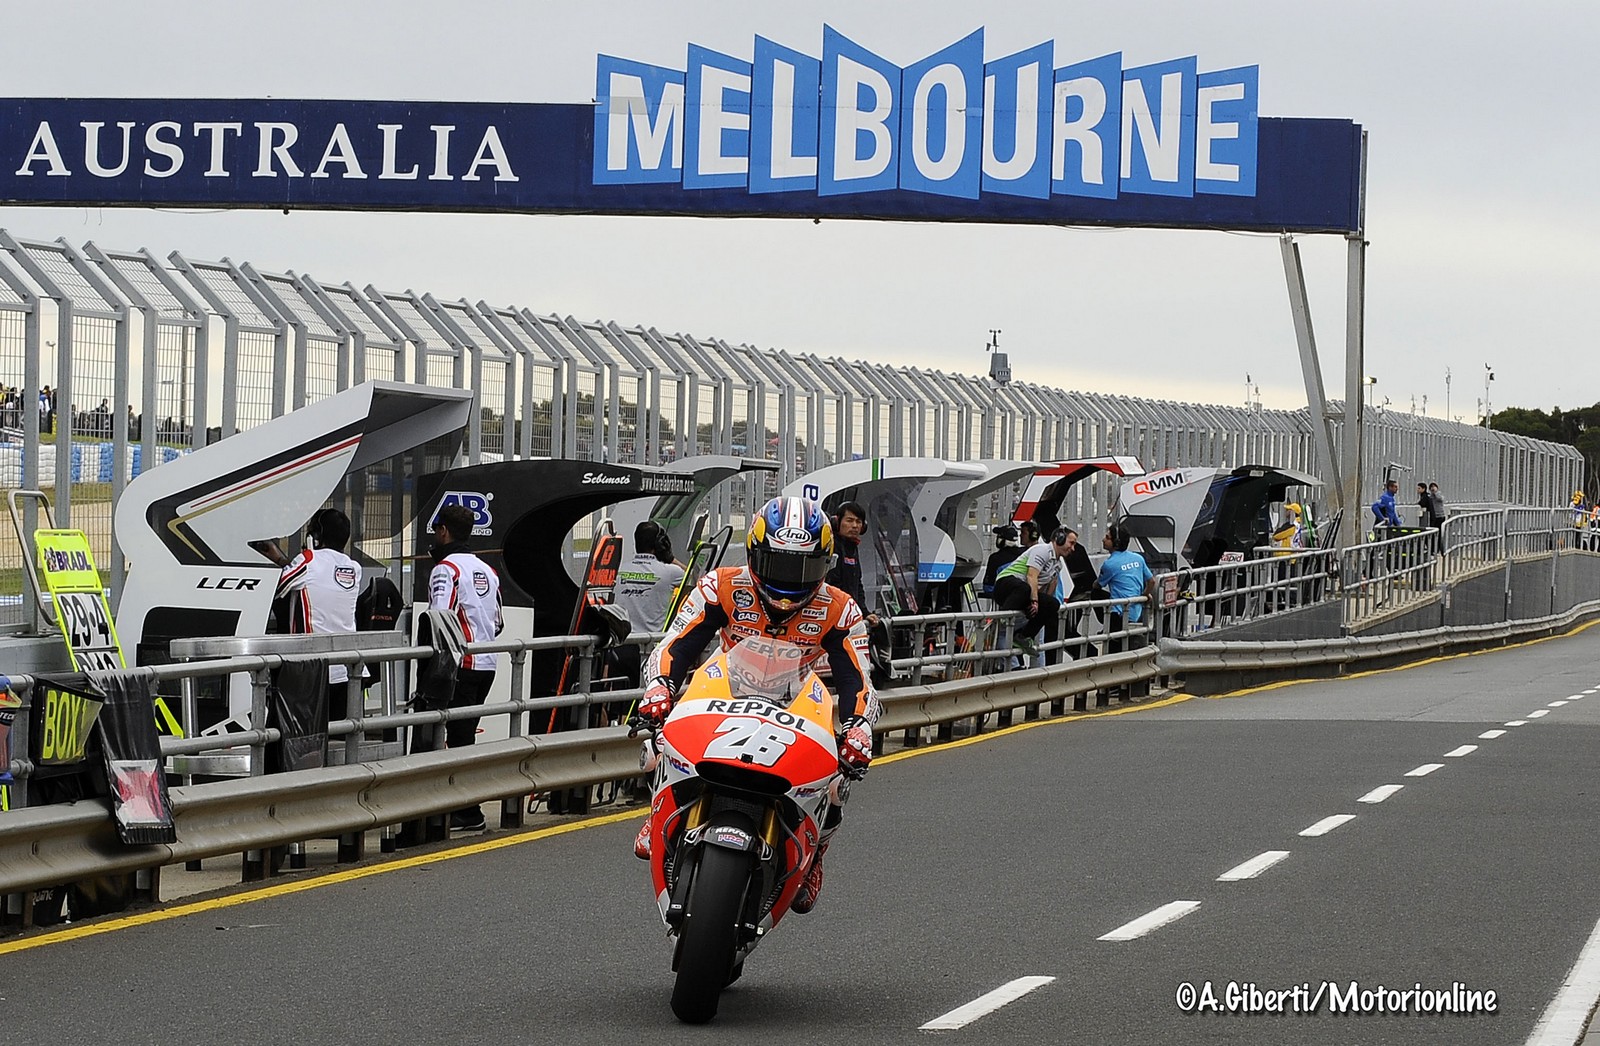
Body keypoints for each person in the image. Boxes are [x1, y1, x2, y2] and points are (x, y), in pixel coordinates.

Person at [632, 495, 878, 915]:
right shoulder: (720, 585)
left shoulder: (841, 608)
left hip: (799, 701)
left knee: (839, 781)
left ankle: (815, 854)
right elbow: (675, 643)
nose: (788, 581)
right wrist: (658, 686)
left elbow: (858, 678)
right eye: (778, 564)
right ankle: (659, 812)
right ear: (753, 554)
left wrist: (859, 725)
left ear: (824, 563)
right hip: (725, 689)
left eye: (802, 567)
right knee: (655, 740)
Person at [428, 503, 504, 833]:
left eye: (435, 531)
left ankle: (468, 812)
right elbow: (499, 623)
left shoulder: (446, 569)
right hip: (487, 663)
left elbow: (438, 617)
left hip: (460, 664)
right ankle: (464, 808)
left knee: (455, 738)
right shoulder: (487, 570)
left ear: (444, 531)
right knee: (464, 736)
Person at [270, 508, 361, 723]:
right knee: (339, 739)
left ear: (315, 536)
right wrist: (284, 561)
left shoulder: (307, 560)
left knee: (302, 739)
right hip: (345, 668)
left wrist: (282, 561)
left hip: (310, 670)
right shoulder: (354, 568)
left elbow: (277, 587)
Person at [612, 520, 686, 687]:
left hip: (621, 647)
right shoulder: (671, 572)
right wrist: (670, 558)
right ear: (660, 544)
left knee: (619, 703)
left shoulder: (620, 569)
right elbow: (695, 579)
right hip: (651, 648)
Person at [991, 526, 1072, 660]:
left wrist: (1040, 605)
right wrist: (1034, 602)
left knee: (1052, 604)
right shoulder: (1042, 550)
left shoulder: (1057, 565)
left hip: (1022, 592)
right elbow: (1031, 576)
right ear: (1060, 539)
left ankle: (1023, 636)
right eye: (1071, 543)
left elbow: (1048, 585)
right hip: (1004, 586)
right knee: (1025, 588)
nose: (1073, 548)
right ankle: (1003, 618)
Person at [1096, 525, 1156, 663]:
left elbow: (1098, 585)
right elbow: (1151, 581)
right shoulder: (1138, 558)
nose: (1103, 540)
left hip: (1118, 614)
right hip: (1137, 612)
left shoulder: (1109, 564)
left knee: (1113, 656)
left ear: (1115, 543)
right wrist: (1145, 595)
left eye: (1107, 537)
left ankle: (1105, 622)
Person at [981, 523, 1021, 600]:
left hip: (1004, 599)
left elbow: (988, 587)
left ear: (1002, 540)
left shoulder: (996, 558)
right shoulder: (1024, 554)